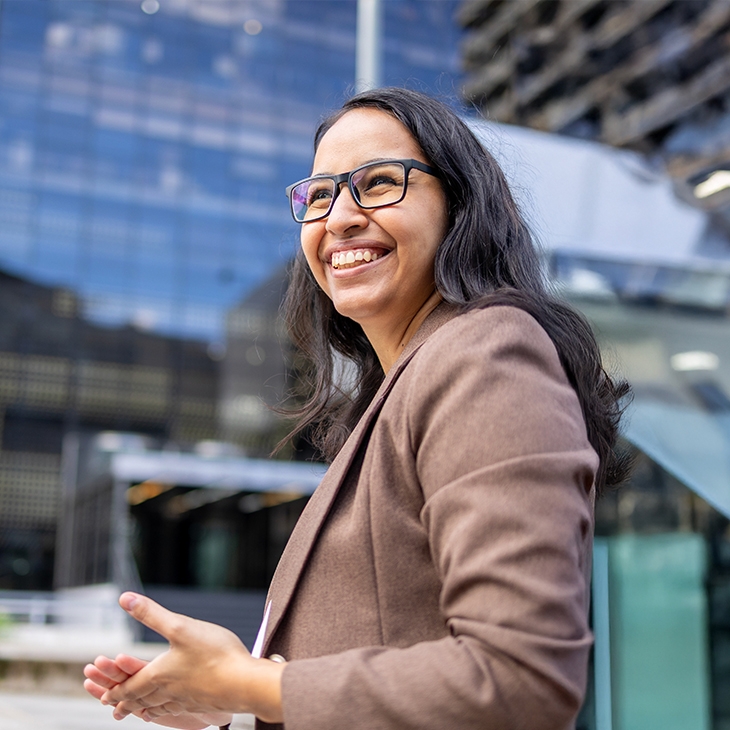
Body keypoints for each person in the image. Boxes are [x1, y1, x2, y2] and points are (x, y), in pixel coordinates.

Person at [83, 87, 628, 730]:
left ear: (460, 206)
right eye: (319, 195)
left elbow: (518, 676)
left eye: (378, 182)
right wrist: (232, 697)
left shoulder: (485, 352)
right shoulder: (401, 387)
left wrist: (253, 683)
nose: (339, 216)